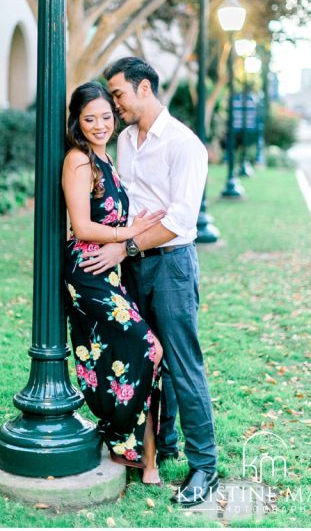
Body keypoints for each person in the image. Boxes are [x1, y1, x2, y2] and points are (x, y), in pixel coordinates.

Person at [78, 57, 220, 506]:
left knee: (182, 363)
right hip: (132, 265)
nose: (113, 104)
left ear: (144, 88)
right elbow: (132, 208)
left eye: (117, 94)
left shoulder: (184, 145)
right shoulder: (124, 142)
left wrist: (127, 246)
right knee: (146, 357)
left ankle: (204, 467)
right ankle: (164, 441)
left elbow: (179, 221)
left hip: (172, 264)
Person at [61, 81, 166, 486]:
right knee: (147, 347)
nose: (100, 124)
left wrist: (132, 230)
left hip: (111, 269)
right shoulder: (79, 160)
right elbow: (82, 225)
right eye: (90, 119)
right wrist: (130, 232)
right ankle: (123, 435)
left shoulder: (106, 158)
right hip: (87, 270)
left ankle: (142, 455)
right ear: (78, 121)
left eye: (106, 116)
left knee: (131, 353)